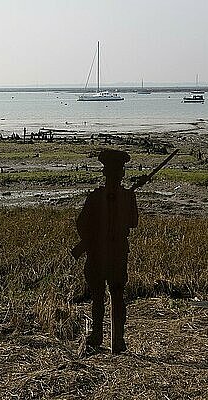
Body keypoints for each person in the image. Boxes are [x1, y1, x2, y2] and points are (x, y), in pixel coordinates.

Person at [76, 149, 139, 354]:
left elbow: (81, 223)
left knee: (99, 298)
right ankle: (117, 341)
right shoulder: (126, 197)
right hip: (116, 255)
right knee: (117, 297)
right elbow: (133, 222)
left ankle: (98, 337)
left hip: (100, 256)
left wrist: (90, 242)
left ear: (104, 173)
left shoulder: (95, 197)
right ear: (122, 174)